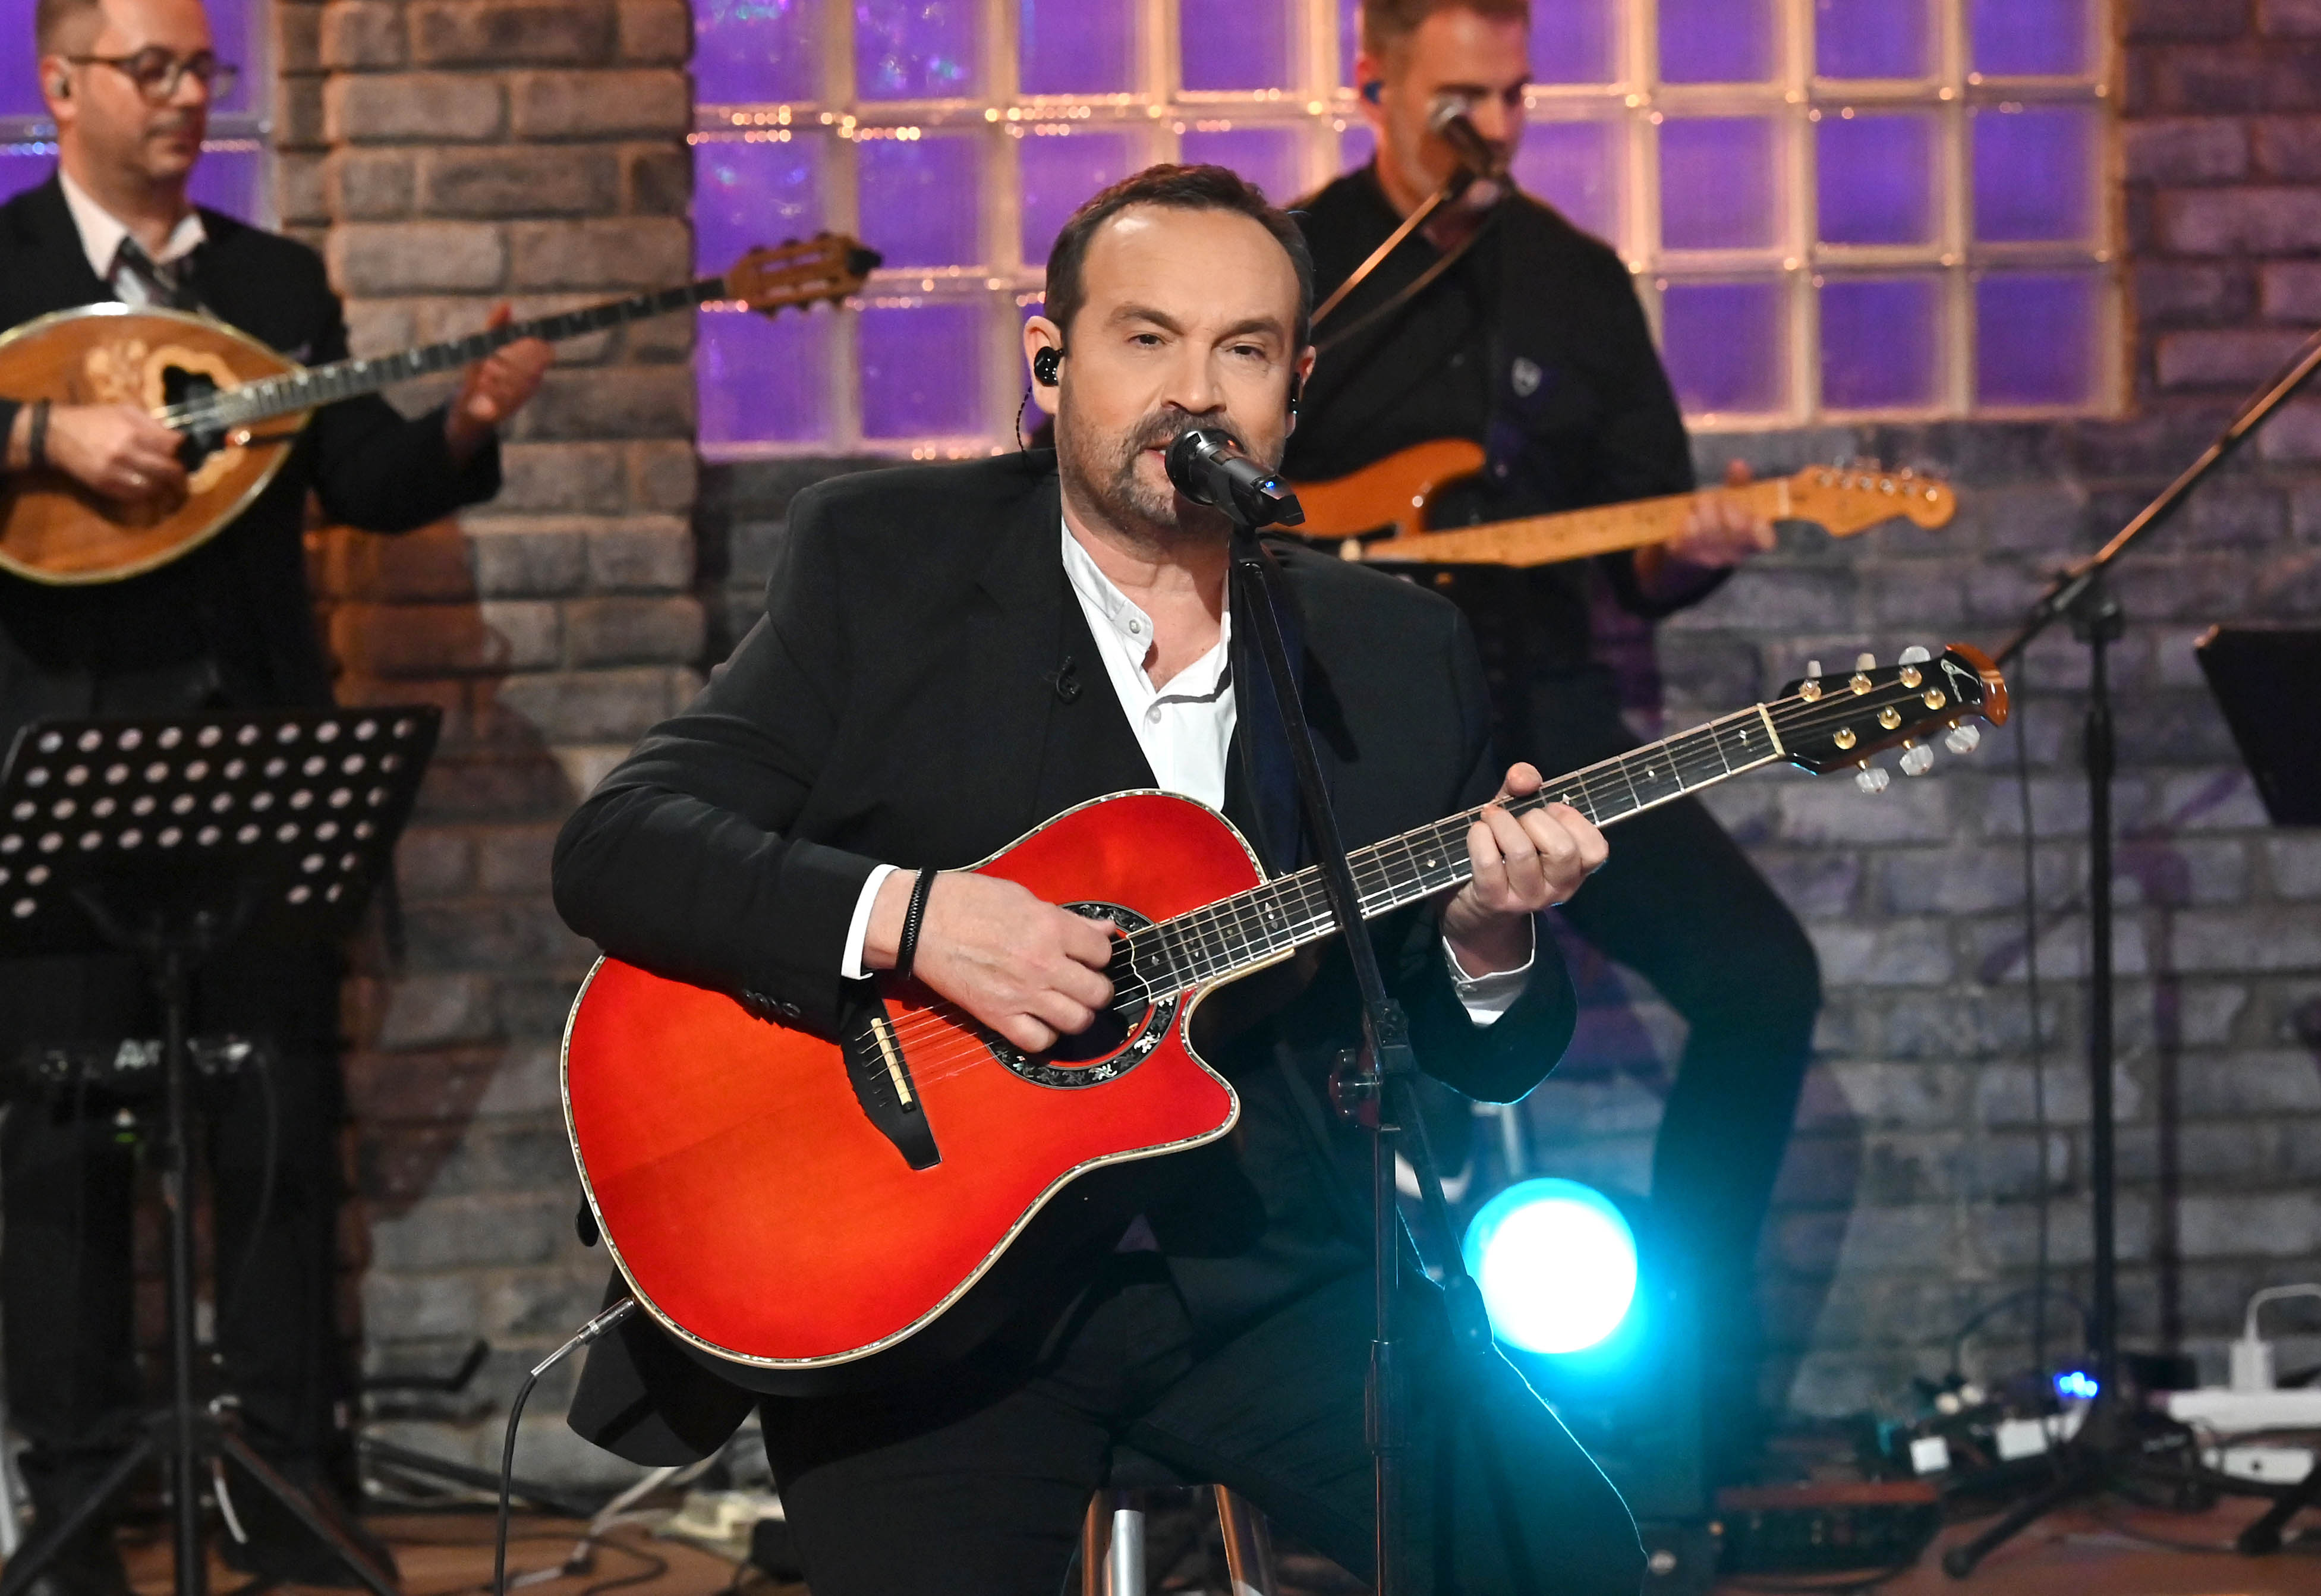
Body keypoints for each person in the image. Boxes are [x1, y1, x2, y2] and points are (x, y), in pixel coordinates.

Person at [554, 163, 1646, 1595]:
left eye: (1243, 348)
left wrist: (1490, 938)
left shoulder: (1389, 650)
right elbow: (622, 844)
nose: (1195, 390)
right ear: (1051, 359)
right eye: (1146, 337)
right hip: (928, 1288)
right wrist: (917, 917)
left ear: (1296, 388)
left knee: (1575, 1562)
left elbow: (1478, 1053)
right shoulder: (885, 561)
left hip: (1265, 1268)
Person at [0, 1, 552, 1590]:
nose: (186, 96)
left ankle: (287, 1486)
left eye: (202, 69)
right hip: (54, 768)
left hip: (253, 765)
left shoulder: (272, 285)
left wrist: (467, 420)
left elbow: (356, 479)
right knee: (60, 1136)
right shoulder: (4, 266)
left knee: (276, 1117)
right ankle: (79, 1500)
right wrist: (39, 430)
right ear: (61, 84)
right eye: (152, 69)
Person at [1281, 0, 1826, 1471]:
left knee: (1765, 980)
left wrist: (1695, 546)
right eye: (1463, 98)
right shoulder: (1304, 268)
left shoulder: (1576, 281)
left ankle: (1684, 1396)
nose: (1498, 129)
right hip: (1348, 740)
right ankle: (1344, 1432)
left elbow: (1642, 553)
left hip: (1553, 723)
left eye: (1518, 94)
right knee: (1335, 1048)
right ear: (1372, 81)